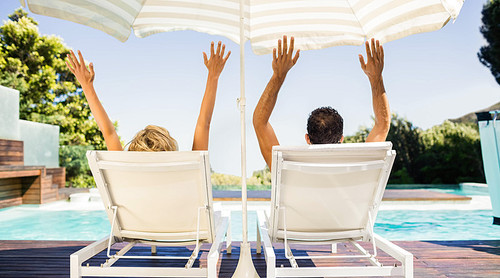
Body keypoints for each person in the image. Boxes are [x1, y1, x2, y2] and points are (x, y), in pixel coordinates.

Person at [253, 36, 391, 168]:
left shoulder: (284, 167)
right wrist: (376, 78)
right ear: (341, 139)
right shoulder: (361, 166)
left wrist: (278, 76)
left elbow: (260, 122)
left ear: (307, 138)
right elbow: (382, 125)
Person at [65, 41, 230, 151]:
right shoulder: (188, 171)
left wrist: (87, 86)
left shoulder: (125, 172)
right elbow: (204, 124)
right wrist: (213, 76)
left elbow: (108, 133)